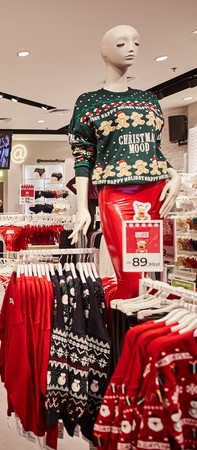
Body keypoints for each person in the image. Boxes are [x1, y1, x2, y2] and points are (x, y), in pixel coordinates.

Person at [69, 25, 180, 299]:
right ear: (104, 51)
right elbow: (82, 155)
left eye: (136, 43)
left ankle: (145, 324)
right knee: (129, 279)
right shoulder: (89, 102)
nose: (131, 48)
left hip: (156, 193)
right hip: (117, 195)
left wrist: (175, 176)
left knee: (152, 278)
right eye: (121, 43)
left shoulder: (149, 100)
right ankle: (120, 324)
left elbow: (154, 148)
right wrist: (82, 208)